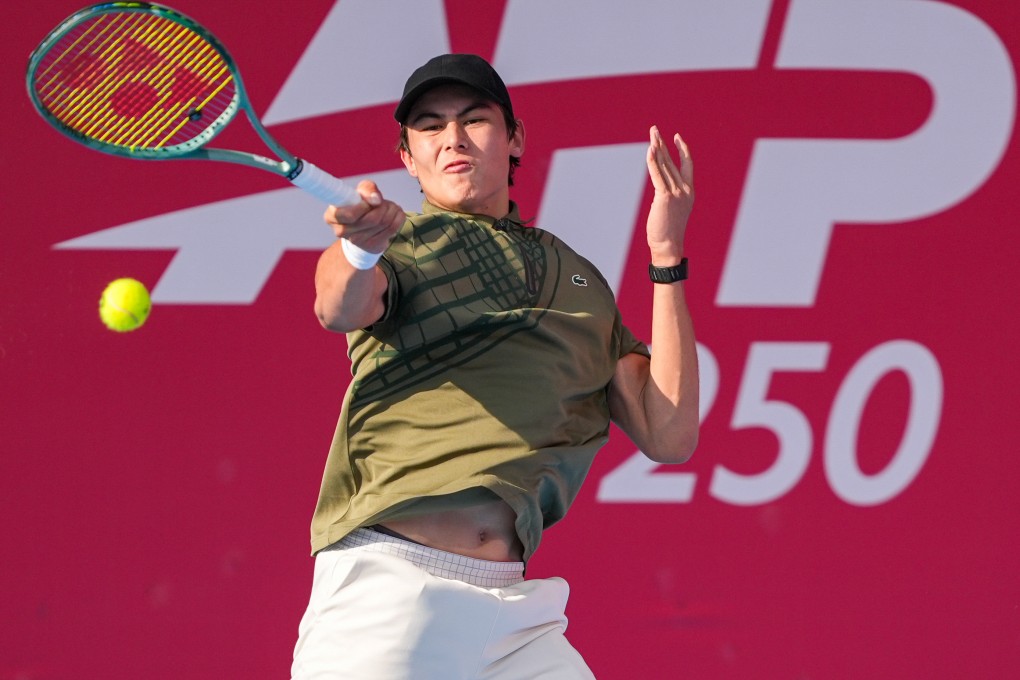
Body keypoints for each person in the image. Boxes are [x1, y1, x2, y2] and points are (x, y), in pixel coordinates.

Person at [291, 53, 699, 679]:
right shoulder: (396, 245)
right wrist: (358, 247)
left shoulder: (579, 279)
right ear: (408, 157)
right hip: (389, 589)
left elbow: (668, 435)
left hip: (516, 617)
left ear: (514, 139)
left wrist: (665, 257)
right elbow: (337, 305)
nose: (452, 138)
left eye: (474, 119)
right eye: (430, 126)